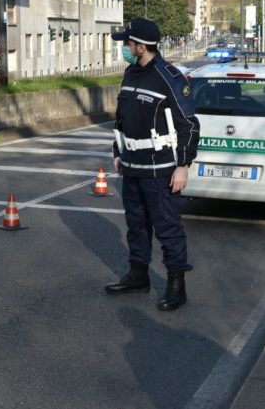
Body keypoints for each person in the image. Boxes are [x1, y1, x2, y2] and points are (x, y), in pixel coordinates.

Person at [106, 18, 200, 311]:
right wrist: (118, 151)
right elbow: (123, 117)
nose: (124, 47)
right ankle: (138, 276)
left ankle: (176, 286)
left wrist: (183, 165)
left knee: (167, 228)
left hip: (161, 170)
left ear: (141, 46)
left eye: (128, 42)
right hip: (132, 166)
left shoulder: (168, 77)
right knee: (136, 225)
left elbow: (189, 124)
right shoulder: (131, 73)